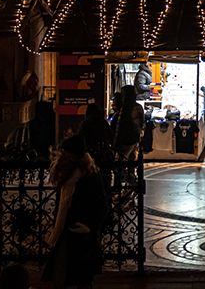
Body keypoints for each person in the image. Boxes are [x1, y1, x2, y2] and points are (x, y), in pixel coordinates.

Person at [42, 135, 106, 289]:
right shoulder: (66, 174)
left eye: (66, 152)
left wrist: (90, 227)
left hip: (80, 233)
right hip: (66, 231)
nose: (62, 155)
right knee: (63, 275)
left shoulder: (88, 176)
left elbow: (101, 205)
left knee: (79, 277)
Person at [112, 85, 144, 161]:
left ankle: (125, 172)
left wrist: (115, 141)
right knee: (132, 158)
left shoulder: (125, 108)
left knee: (122, 159)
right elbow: (141, 123)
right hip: (134, 138)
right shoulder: (138, 107)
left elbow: (120, 126)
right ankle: (131, 172)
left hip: (126, 139)